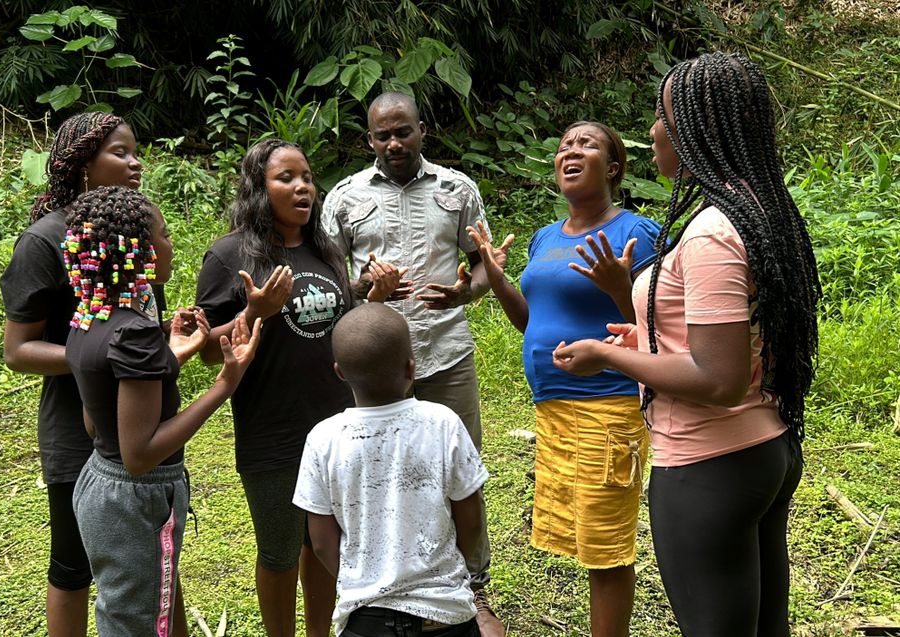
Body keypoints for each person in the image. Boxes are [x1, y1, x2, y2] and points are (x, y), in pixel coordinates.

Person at [553, 52, 819, 637]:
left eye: (662, 113)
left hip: (707, 466)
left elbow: (718, 380)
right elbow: (730, 340)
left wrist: (608, 355)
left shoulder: (711, 232)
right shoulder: (758, 209)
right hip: (763, 448)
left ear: (696, 126)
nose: (651, 130)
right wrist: (644, 332)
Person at [196, 139, 401, 636]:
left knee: (327, 544)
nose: (303, 186)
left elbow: (342, 326)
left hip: (336, 424)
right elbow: (203, 350)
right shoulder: (230, 256)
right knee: (281, 551)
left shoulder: (324, 250)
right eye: (286, 177)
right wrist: (253, 313)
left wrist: (370, 297)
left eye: (307, 177)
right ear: (258, 189)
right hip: (273, 430)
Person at [322, 92, 504, 636]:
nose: (394, 143)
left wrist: (463, 294)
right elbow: (331, 286)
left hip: (445, 355)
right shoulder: (344, 198)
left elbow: (484, 266)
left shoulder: (458, 189)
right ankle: (381, 583)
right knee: (378, 476)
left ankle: (472, 586)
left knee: (459, 474)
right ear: (369, 139)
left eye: (403, 132)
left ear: (422, 130)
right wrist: (363, 287)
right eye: (383, 136)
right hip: (375, 368)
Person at [468, 121, 660, 637]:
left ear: (614, 167)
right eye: (563, 147)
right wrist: (496, 276)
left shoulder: (634, 233)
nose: (570, 152)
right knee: (583, 541)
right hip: (552, 410)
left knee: (606, 549)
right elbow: (531, 321)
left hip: (608, 403)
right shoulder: (546, 237)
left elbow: (662, 330)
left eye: (586, 145)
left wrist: (622, 290)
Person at [0, 111, 181, 637]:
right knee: (73, 561)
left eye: (135, 151)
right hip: (79, 425)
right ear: (81, 163)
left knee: (159, 561)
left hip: (143, 416)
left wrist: (167, 343)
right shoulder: (44, 241)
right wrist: (100, 361)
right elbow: (18, 349)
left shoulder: (130, 227)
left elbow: (137, 323)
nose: (135, 161)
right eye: (120, 153)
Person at [64, 185, 260, 636]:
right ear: (141, 253)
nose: (172, 244)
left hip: (98, 484)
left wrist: (172, 355)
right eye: (166, 235)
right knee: (138, 622)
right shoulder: (134, 332)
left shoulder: (89, 316)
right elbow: (140, 453)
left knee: (145, 606)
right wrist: (224, 385)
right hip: (135, 500)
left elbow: (97, 417)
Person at [293, 302, 488, 637]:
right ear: (411, 368)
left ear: (339, 372)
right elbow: (471, 518)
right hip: (445, 616)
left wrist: (360, 576)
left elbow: (321, 542)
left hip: (365, 620)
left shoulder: (323, 439)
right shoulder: (443, 423)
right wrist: (458, 568)